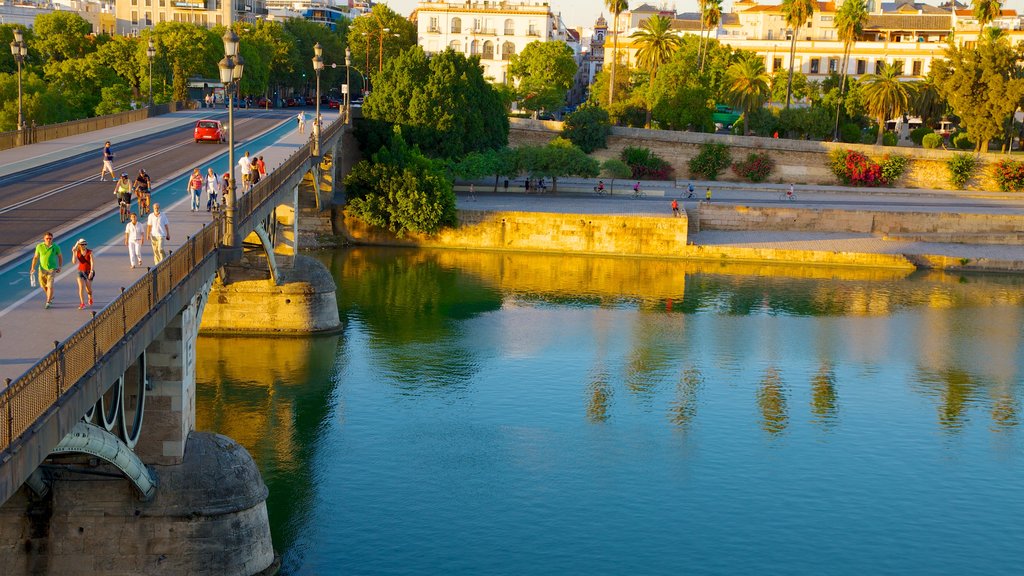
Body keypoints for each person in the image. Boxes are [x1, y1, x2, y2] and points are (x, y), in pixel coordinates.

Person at [29, 232, 62, 309]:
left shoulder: (55, 247)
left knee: (50, 286)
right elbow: (35, 257)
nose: (48, 240)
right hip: (42, 269)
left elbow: (60, 257)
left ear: (52, 239)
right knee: (43, 286)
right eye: (47, 238)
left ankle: (48, 301)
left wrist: (60, 266)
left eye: (50, 238)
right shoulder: (39, 246)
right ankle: (50, 296)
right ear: (44, 239)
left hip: (52, 269)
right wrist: (32, 267)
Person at [71, 239, 95, 310]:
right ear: (79, 245)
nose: (84, 245)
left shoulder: (90, 252)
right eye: (82, 244)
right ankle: (82, 303)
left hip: (88, 272)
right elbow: (74, 262)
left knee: (89, 290)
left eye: (85, 244)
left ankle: (90, 297)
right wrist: (73, 252)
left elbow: (92, 262)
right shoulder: (77, 251)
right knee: (81, 288)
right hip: (80, 271)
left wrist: (91, 272)